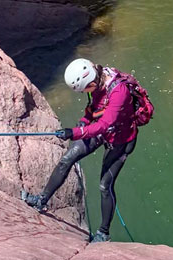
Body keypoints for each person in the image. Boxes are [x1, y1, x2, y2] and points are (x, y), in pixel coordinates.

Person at [24, 58, 138, 243]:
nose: (84, 93)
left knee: (104, 186)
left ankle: (103, 233)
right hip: (103, 131)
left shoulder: (119, 91)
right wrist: (84, 122)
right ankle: (41, 201)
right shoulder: (98, 80)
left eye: (85, 89)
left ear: (91, 82)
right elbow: (94, 109)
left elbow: (104, 124)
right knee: (67, 159)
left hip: (121, 140)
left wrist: (75, 132)